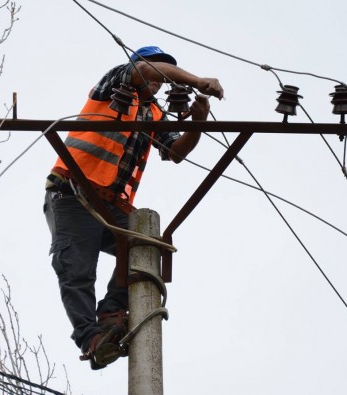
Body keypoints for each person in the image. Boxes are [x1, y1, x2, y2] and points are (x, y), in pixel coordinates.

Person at [43, 45, 224, 369]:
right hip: (72, 192)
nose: (160, 80)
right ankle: (92, 339)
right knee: (77, 268)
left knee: (146, 249)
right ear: (139, 67)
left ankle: (113, 312)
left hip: (111, 205)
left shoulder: (154, 113)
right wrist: (197, 80)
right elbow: (149, 71)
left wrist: (197, 122)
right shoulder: (114, 84)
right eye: (157, 70)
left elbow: (176, 152)